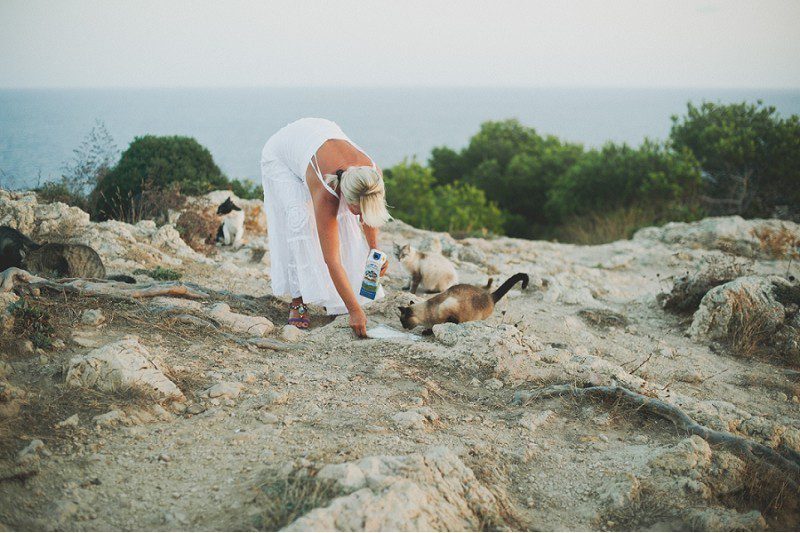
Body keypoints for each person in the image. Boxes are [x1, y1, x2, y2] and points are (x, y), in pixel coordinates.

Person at [260, 118, 390, 338]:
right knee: (300, 222)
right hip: (282, 154)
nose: (360, 216)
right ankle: (298, 300)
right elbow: (331, 259)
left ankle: (337, 300)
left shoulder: (372, 177)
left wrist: (374, 250)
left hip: (320, 133)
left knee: (346, 223)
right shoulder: (326, 192)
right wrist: (355, 311)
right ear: (343, 195)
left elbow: (368, 214)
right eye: (356, 209)